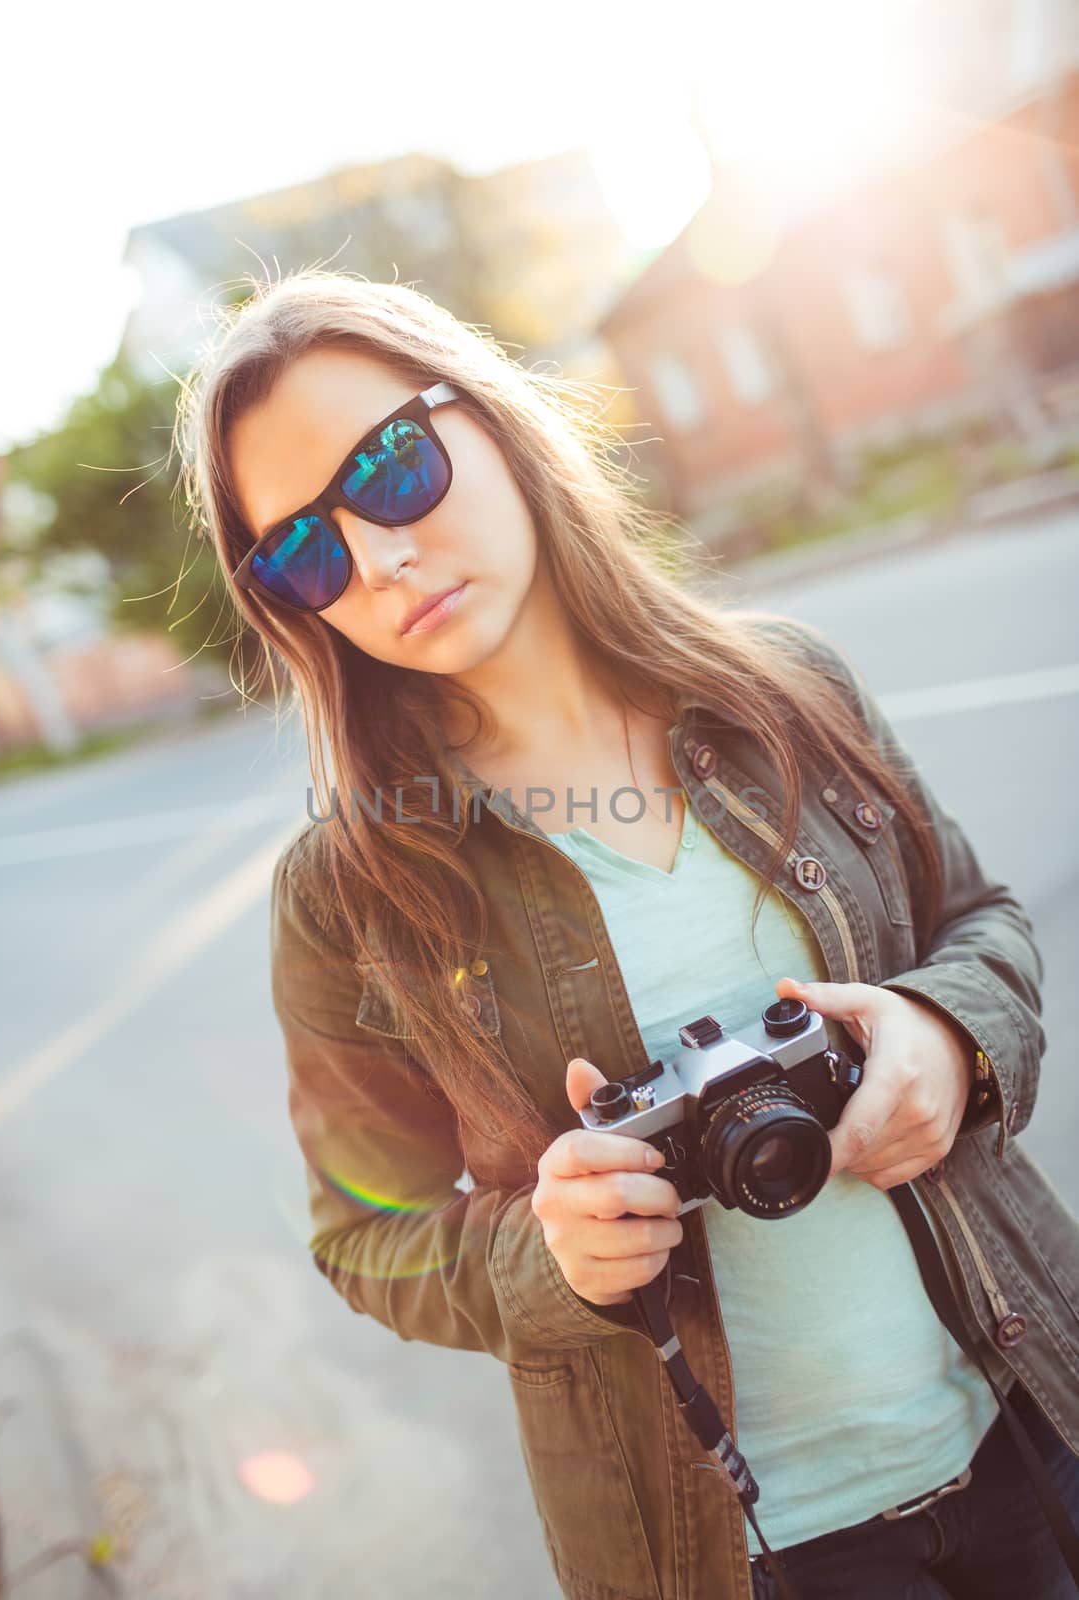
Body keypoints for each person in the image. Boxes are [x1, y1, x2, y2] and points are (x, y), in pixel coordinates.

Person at [176, 268, 1079, 1600]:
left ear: (488, 417)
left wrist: (949, 1037)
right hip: (742, 1549)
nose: (374, 560)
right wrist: (545, 1254)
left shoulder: (787, 687)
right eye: (303, 551)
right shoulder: (349, 894)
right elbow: (364, 1237)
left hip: (1026, 1411)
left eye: (390, 467)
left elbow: (977, 918)